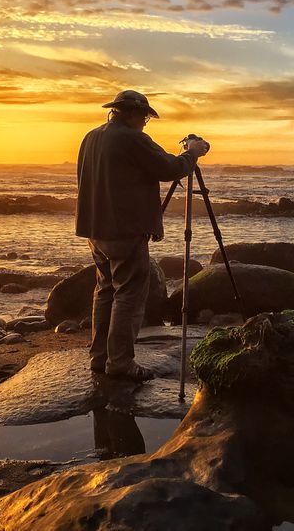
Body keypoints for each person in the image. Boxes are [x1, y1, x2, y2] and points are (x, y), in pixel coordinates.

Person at [75, 90, 209, 381]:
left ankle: (99, 358)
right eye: (145, 116)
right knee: (129, 295)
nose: (147, 122)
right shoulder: (131, 138)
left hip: (95, 228)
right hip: (125, 229)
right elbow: (170, 168)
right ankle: (121, 363)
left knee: (106, 291)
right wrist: (193, 153)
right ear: (132, 113)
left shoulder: (91, 137)